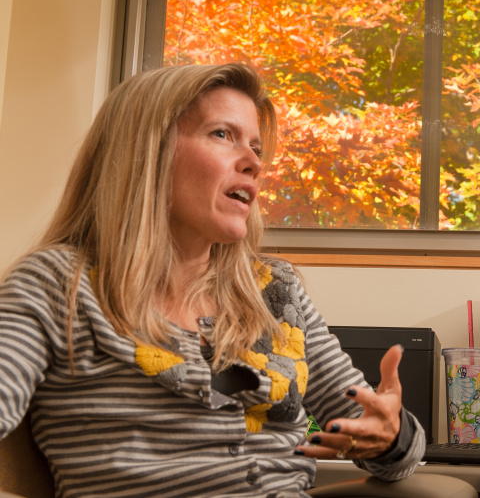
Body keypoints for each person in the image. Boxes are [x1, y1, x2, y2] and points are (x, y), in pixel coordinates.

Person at [0, 63, 425, 497]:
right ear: (146, 151)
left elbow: (391, 449)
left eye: (257, 148)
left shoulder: (275, 292)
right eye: (222, 134)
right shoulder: (57, 285)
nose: (254, 163)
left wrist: (390, 437)